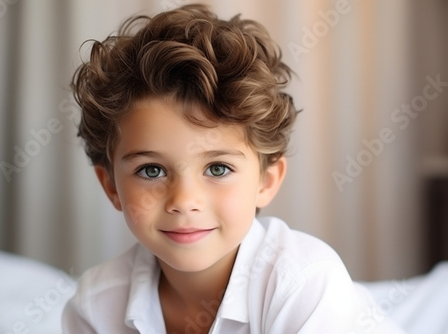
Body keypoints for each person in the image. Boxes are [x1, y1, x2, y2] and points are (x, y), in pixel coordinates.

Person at [62, 4, 405, 334]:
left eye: (217, 168)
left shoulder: (303, 283)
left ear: (266, 181)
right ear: (110, 187)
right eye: (152, 170)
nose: (184, 200)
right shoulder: (94, 305)